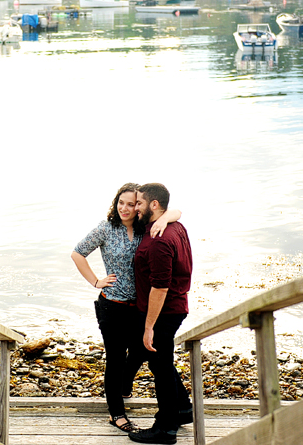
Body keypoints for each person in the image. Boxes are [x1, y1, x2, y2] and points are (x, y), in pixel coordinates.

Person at [71, 183, 182, 434]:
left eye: (131, 204)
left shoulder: (147, 227)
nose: (125, 208)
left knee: (142, 352)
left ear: (139, 206)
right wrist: (96, 281)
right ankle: (117, 414)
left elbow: (176, 211)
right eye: (121, 202)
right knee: (116, 358)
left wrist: (165, 219)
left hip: (139, 307)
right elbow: (78, 253)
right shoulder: (106, 228)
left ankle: (124, 385)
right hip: (112, 306)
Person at [129, 183, 194, 445]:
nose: (135, 208)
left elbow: (160, 286)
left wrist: (149, 326)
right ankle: (183, 409)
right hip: (176, 306)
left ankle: (165, 428)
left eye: (139, 204)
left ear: (154, 205)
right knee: (160, 362)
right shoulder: (173, 226)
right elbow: (177, 212)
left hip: (165, 311)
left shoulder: (159, 239)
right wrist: (169, 214)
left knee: (162, 367)